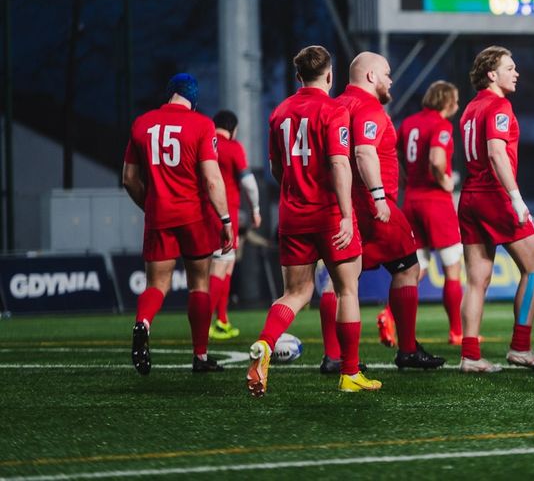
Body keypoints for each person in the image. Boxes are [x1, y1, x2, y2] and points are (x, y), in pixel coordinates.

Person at [246, 45, 381, 396]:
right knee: (346, 289)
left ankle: (265, 342)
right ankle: (350, 373)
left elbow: (277, 168)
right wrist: (348, 214)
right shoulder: (335, 110)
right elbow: (339, 164)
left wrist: (295, 189)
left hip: (292, 215)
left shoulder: (279, 113)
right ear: (330, 75)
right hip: (330, 215)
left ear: (297, 76)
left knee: (295, 293)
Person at [336, 52, 444, 370]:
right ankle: (407, 349)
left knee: (339, 281)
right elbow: (364, 152)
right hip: (373, 205)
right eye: (386, 72)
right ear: (371, 76)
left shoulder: (336, 106)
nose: (391, 79)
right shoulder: (368, 107)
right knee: (409, 268)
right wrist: (379, 196)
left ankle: (335, 356)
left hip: (341, 206)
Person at [122, 73, 233, 374]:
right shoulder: (201, 124)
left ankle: (143, 323)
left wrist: (152, 206)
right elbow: (211, 179)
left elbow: (129, 180)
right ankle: (199, 356)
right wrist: (225, 219)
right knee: (199, 284)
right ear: (193, 100)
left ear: (169, 93)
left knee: (157, 284)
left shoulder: (142, 124)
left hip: (159, 216)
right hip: (193, 217)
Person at [457, 46, 534, 373]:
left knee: (475, 281)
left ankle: (470, 355)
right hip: (495, 196)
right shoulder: (499, 105)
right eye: (509, 67)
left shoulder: (470, 108)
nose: (517, 73)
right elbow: (497, 153)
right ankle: (521, 348)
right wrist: (515, 198)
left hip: (469, 196)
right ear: (491, 74)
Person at [399, 80, 464, 345]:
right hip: (436, 203)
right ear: (447, 101)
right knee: (452, 270)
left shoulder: (407, 124)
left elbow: (399, 159)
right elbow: (437, 159)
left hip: (411, 201)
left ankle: (390, 315)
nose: (457, 106)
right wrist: (445, 180)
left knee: (416, 268)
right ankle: (457, 332)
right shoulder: (441, 125)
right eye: (456, 101)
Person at [205, 110, 261, 342]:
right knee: (219, 268)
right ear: (233, 128)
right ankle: (204, 323)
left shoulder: (206, 143)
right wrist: (256, 210)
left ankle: (222, 320)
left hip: (204, 212)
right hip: (225, 215)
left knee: (225, 266)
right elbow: (249, 183)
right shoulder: (233, 147)